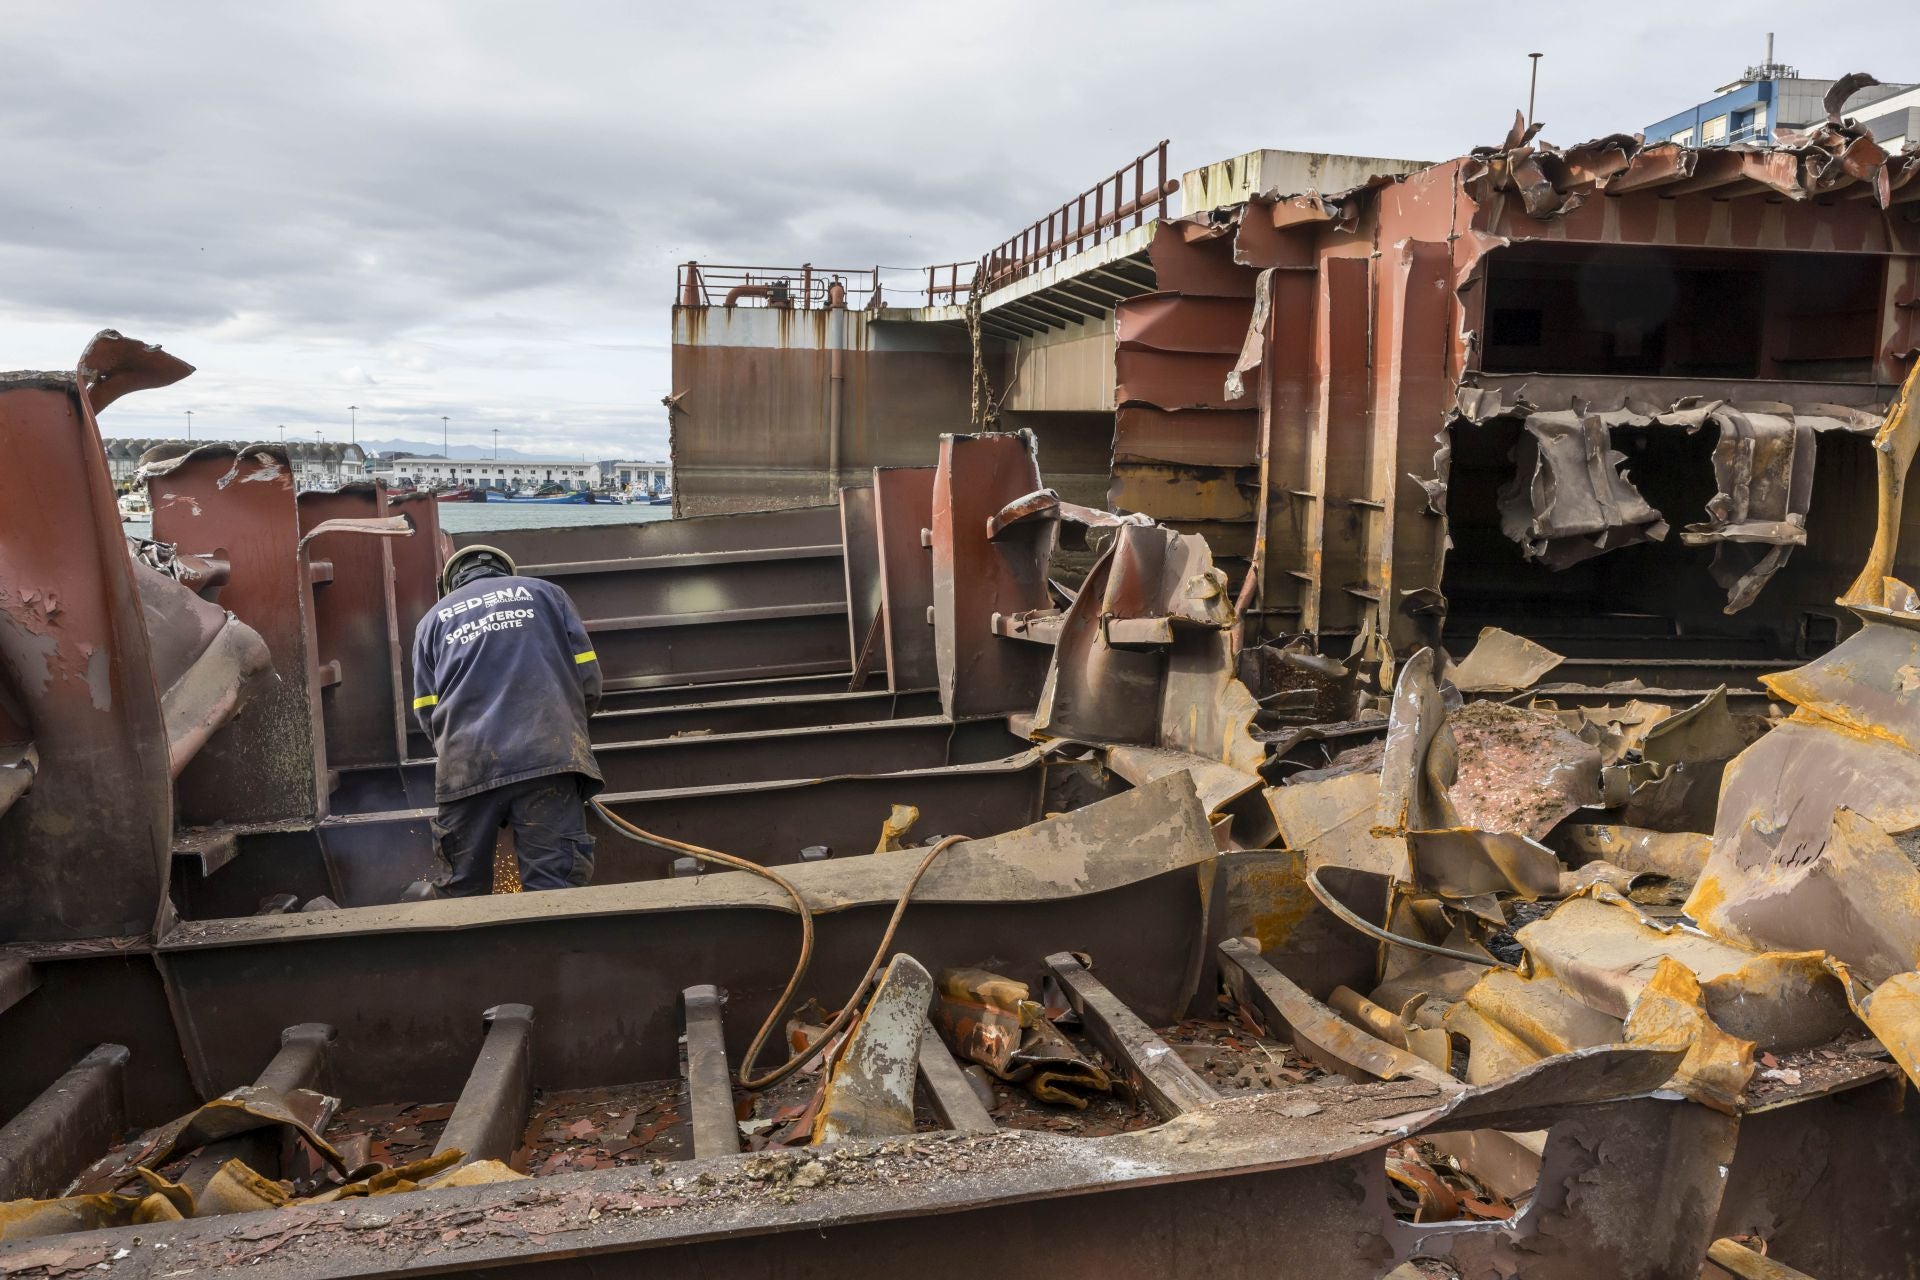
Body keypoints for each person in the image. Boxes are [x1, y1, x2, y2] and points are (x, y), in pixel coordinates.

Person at [407, 545, 603, 897]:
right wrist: (565, 736)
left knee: (461, 891)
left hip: (465, 766)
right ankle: (554, 951)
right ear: (506, 572)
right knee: (554, 889)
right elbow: (588, 679)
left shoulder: (431, 621)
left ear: (452, 582)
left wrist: (455, 754)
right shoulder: (547, 595)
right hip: (547, 757)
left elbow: (426, 709)